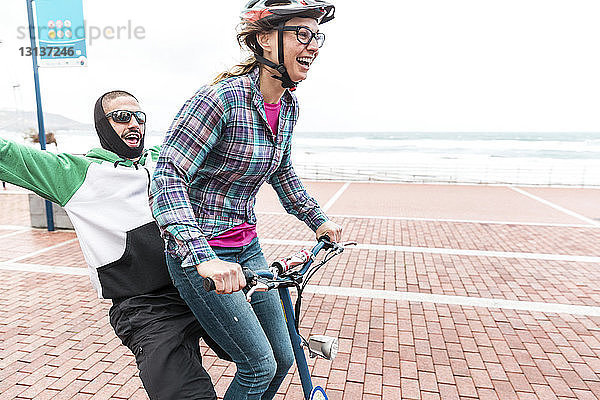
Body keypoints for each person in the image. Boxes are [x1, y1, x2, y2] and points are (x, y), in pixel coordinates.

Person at [150, 1, 341, 398]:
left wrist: (317, 219)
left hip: (246, 248)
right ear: (265, 39)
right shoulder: (219, 99)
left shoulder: (287, 106)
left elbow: (281, 170)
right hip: (201, 254)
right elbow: (168, 176)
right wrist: (204, 257)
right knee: (258, 366)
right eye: (301, 34)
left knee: (285, 358)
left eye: (316, 35)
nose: (314, 45)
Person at [0, 90, 236, 400]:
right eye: (122, 118)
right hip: (146, 307)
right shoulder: (74, 174)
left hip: (197, 286)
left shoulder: (165, 160)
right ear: (102, 125)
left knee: (268, 359)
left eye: (139, 117)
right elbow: (7, 154)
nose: (134, 124)